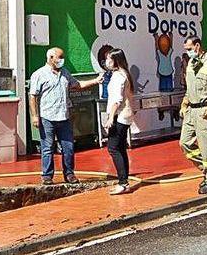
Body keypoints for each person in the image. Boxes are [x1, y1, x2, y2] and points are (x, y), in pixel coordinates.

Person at [28, 47, 100, 185]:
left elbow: (77, 85)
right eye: (59, 58)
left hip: (64, 116)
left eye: (62, 58)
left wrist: (95, 81)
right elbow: (33, 96)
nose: (62, 61)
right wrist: (35, 116)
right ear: (50, 58)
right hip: (47, 116)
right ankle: (47, 175)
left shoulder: (65, 73)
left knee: (68, 147)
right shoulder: (39, 75)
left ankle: (69, 174)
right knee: (48, 147)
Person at [179, 37, 207, 194]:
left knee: (206, 148)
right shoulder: (191, 64)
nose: (188, 52)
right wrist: (184, 104)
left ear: (197, 46)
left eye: (190, 49)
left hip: (205, 111)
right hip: (191, 110)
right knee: (185, 143)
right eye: (186, 49)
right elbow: (189, 88)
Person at [102, 48, 136, 195]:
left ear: (116, 60)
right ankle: (124, 181)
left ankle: (123, 183)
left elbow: (117, 99)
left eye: (109, 59)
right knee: (120, 148)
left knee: (113, 148)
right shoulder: (124, 74)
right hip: (125, 115)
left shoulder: (118, 76)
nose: (107, 62)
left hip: (120, 116)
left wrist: (110, 118)